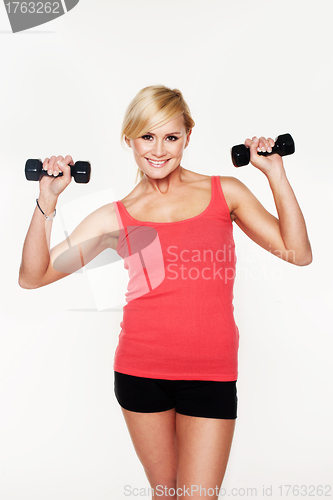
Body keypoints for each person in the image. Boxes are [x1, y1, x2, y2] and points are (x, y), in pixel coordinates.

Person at [19, 85, 312, 500]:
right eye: (147, 137)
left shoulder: (225, 192)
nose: (159, 150)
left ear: (187, 137)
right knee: (166, 493)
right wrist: (46, 201)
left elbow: (298, 253)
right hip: (141, 371)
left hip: (210, 371)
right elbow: (33, 276)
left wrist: (275, 174)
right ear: (130, 140)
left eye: (171, 137)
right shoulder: (113, 216)